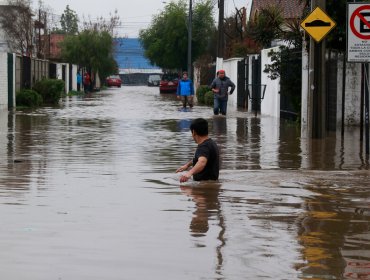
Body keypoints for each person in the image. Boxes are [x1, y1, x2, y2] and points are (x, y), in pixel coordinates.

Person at [176, 118, 220, 183]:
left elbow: (202, 162)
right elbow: (200, 158)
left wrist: (189, 173)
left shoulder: (203, 147)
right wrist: (187, 165)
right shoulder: (211, 143)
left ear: (194, 132)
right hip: (211, 183)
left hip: (204, 187)